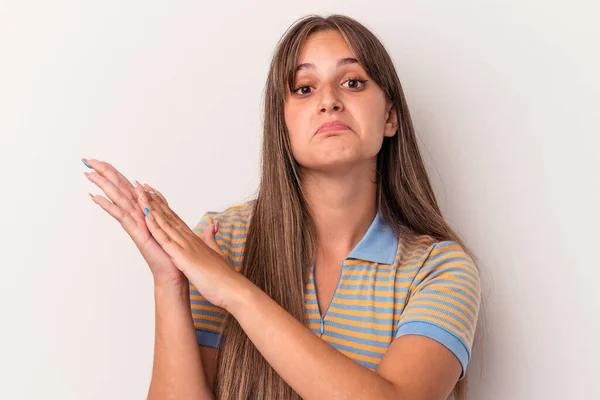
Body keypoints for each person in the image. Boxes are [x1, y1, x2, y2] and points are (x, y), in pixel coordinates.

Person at [83, 14, 481, 400]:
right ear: (282, 122)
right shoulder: (224, 239)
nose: (329, 101)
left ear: (390, 117)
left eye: (353, 82)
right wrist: (169, 283)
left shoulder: (440, 269)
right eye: (305, 89)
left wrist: (234, 291)